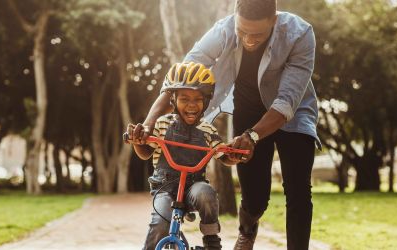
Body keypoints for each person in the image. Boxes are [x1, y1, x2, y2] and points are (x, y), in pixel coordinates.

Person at [133, 0, 321, 249]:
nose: (249, 40)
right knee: (255, 198)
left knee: (298, 191)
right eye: (243, 32)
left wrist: (253, 136)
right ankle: (248, 230)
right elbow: (182, 79)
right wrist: (149, 123)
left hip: (293, 113)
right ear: (235, 19)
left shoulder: (300, 33)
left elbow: (286, 102)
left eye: (257, 34)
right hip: (248, 112)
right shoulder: (223, 30)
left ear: (274, 21)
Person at [127, 62, 239, 250]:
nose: (191, 105)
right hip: (164, 187)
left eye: (198, 99)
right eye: (184, 98)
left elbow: (222, 154)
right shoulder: (163, 124)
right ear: (173, 100)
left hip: (193, 188)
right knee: (161, 223)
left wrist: (233, 155)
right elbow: (146, 153)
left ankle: (212, 240)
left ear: (206, 100)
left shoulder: (208, 130)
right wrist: (139, 143)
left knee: (206, 194)